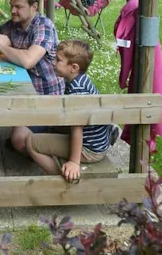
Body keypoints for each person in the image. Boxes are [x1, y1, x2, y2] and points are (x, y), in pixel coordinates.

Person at [26, 39, 119, 182]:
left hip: (89, 149)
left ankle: (62, 178)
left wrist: (74, 162)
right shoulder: (80, 80)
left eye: (58, 60)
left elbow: (77, 128)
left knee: (31, 142)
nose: (53, 62)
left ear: (74, 67)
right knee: (50, 130)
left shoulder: (77, 92)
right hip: (97, 141)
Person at [0, 0, 65, 153]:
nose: (13, 10)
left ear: (34, 7)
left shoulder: (43, 26)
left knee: (18, 140)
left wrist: (3, 47)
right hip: (23, 90)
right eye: (12, 6)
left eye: (19, 7)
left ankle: (54, 133)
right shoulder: (16, 23)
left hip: (45, 97)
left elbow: (29, 60)